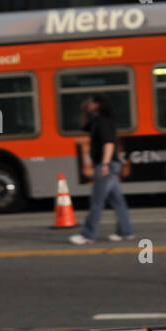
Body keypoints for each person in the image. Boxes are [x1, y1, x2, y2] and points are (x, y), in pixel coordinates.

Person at [70, 93, 133, 245]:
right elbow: (84, 126)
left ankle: (88, 235)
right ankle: (126, 232)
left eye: (90, 102)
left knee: (97, 202)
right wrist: (83, 111)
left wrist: (104, 164)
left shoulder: (103, 122)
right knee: (118, 201)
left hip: (106, 165)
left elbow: (109, 144)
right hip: (111, 165)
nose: (88, 104)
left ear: (97, 104)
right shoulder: (98, 121)